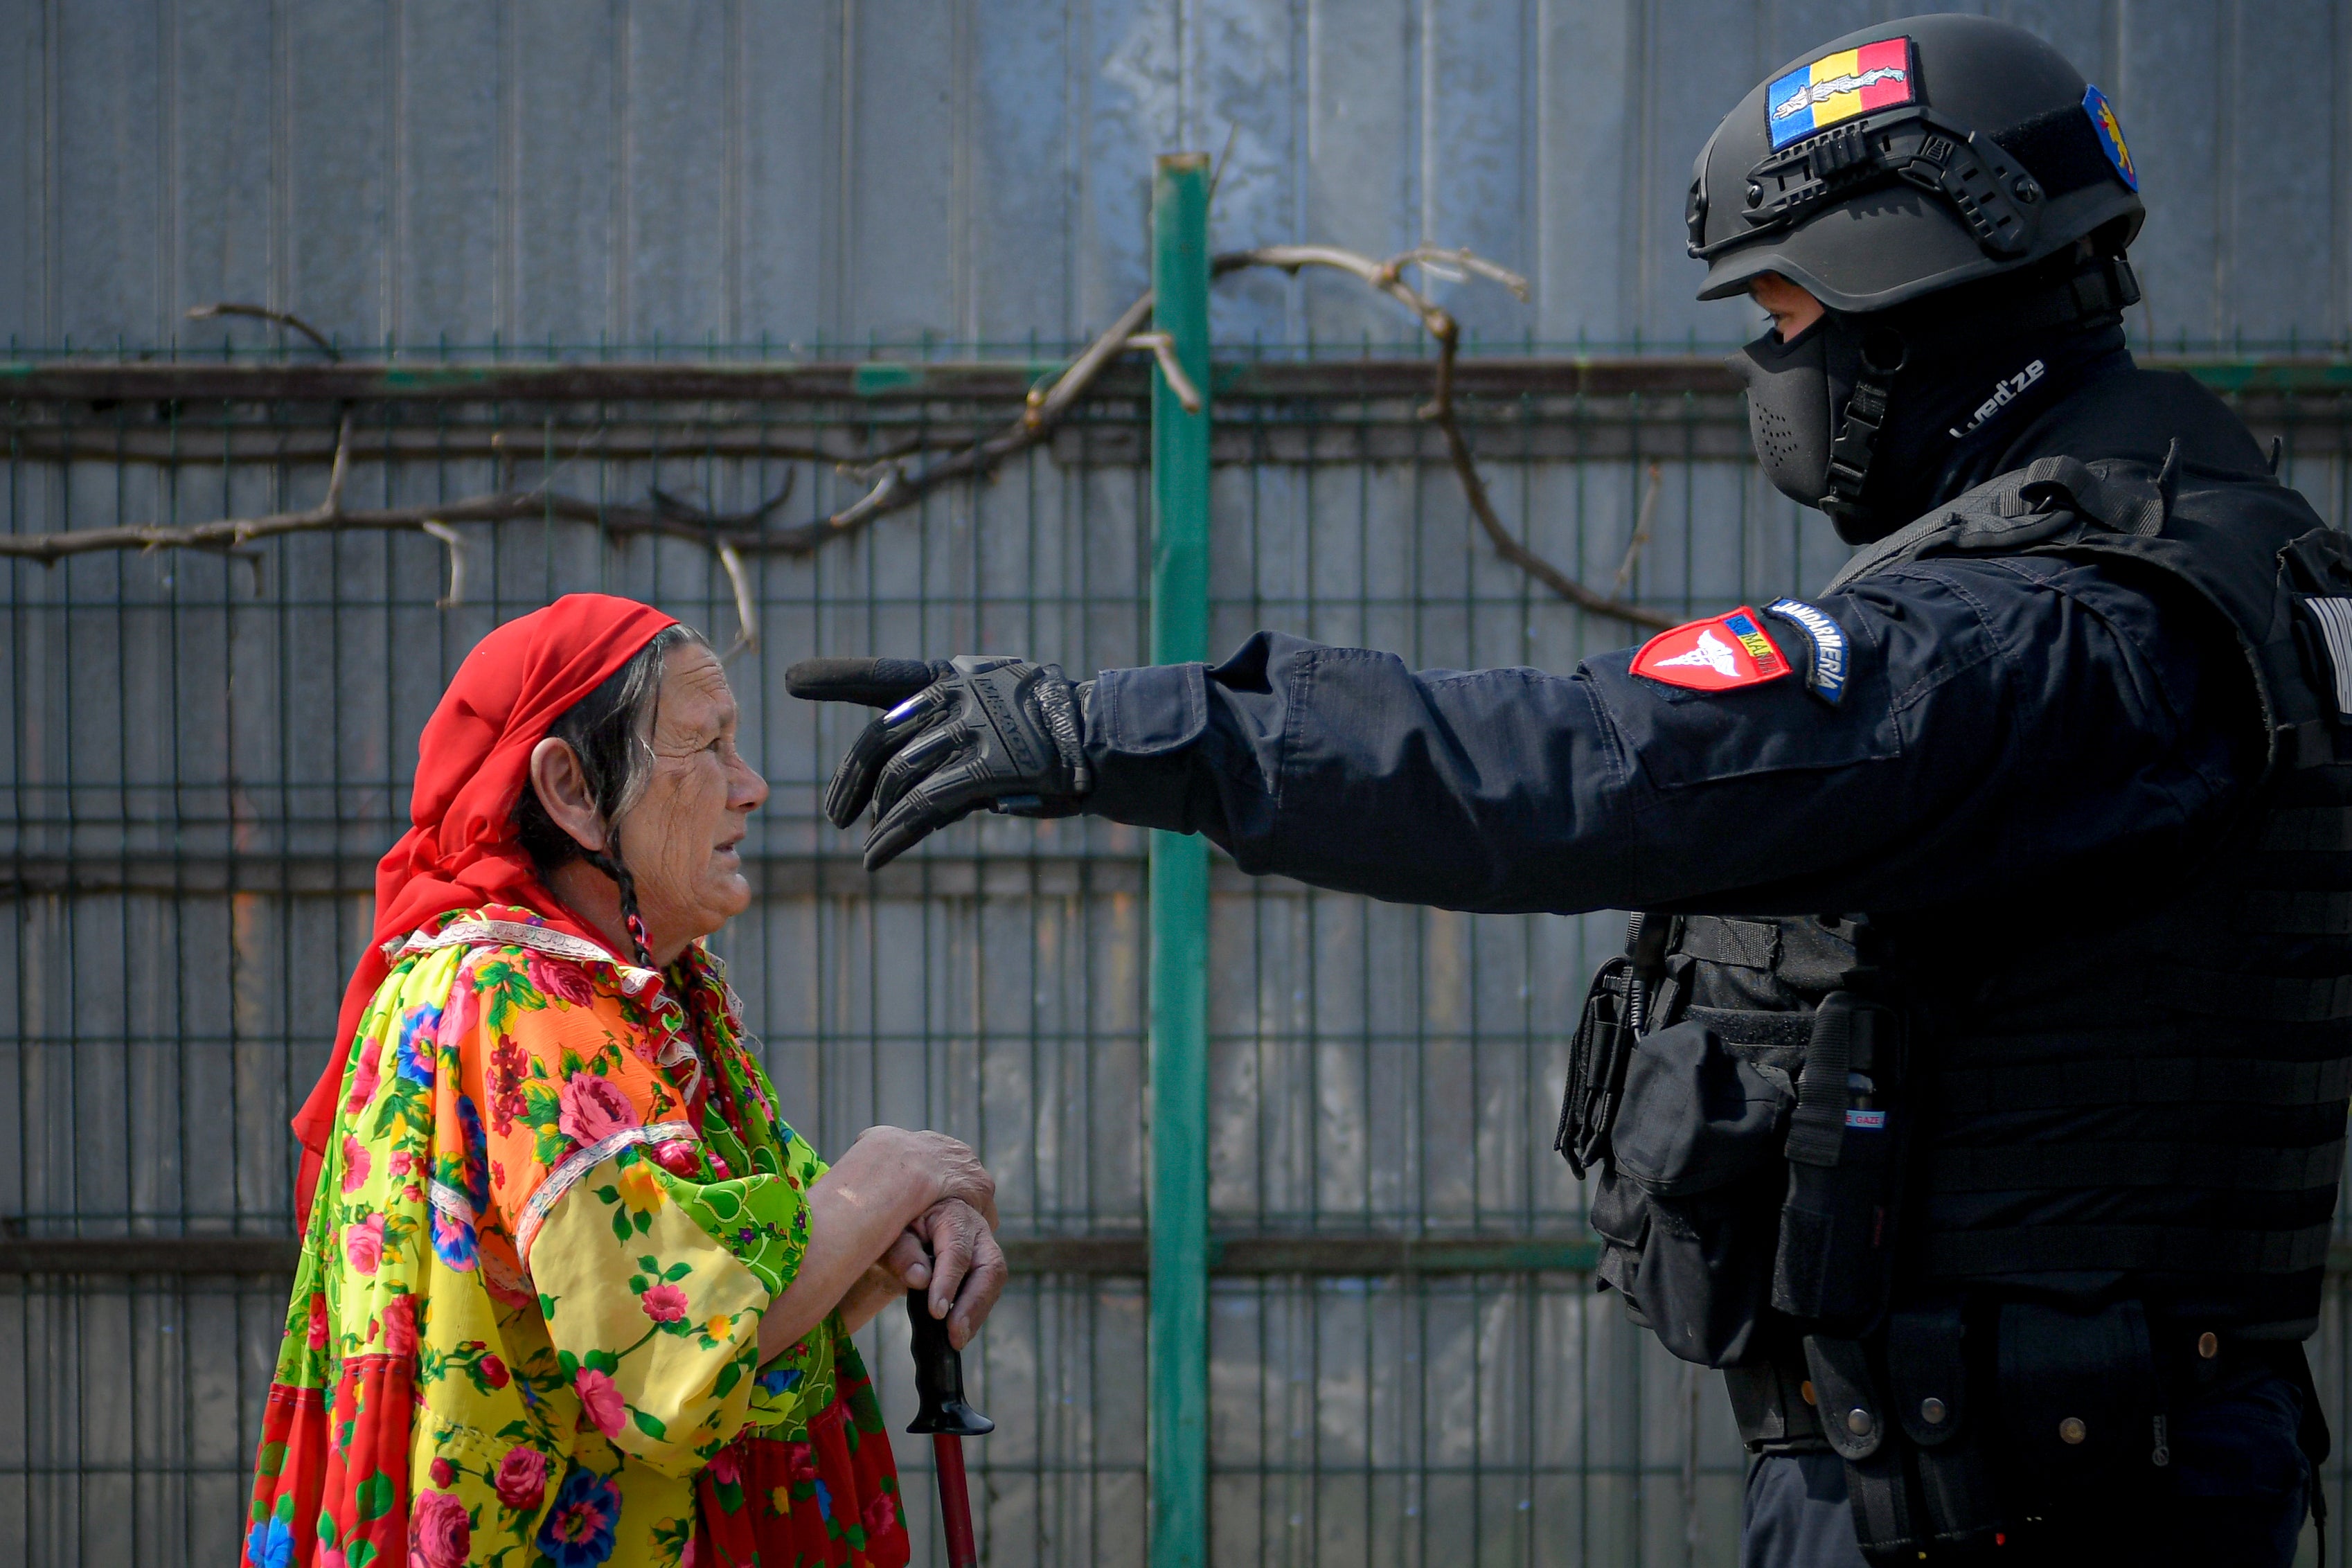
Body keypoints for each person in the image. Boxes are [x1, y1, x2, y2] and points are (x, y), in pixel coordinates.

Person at [790, 16, 2352, 1567]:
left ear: (1916, 293)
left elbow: (1581, 767)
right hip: (2065, 1454)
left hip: (2022, 1492)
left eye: (1787, 306)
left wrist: (1112, 727)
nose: (1772, 360)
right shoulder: (2211, 564)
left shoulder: (2046, 633)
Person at [241, 594, 1006, 1568]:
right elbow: (671, 1374)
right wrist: (884, 1178)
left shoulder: (633, 991)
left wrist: (900, 1226)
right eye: (708, 747)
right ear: (571, 790)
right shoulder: (525, 1002)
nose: (753, 787)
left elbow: (753, 1302)